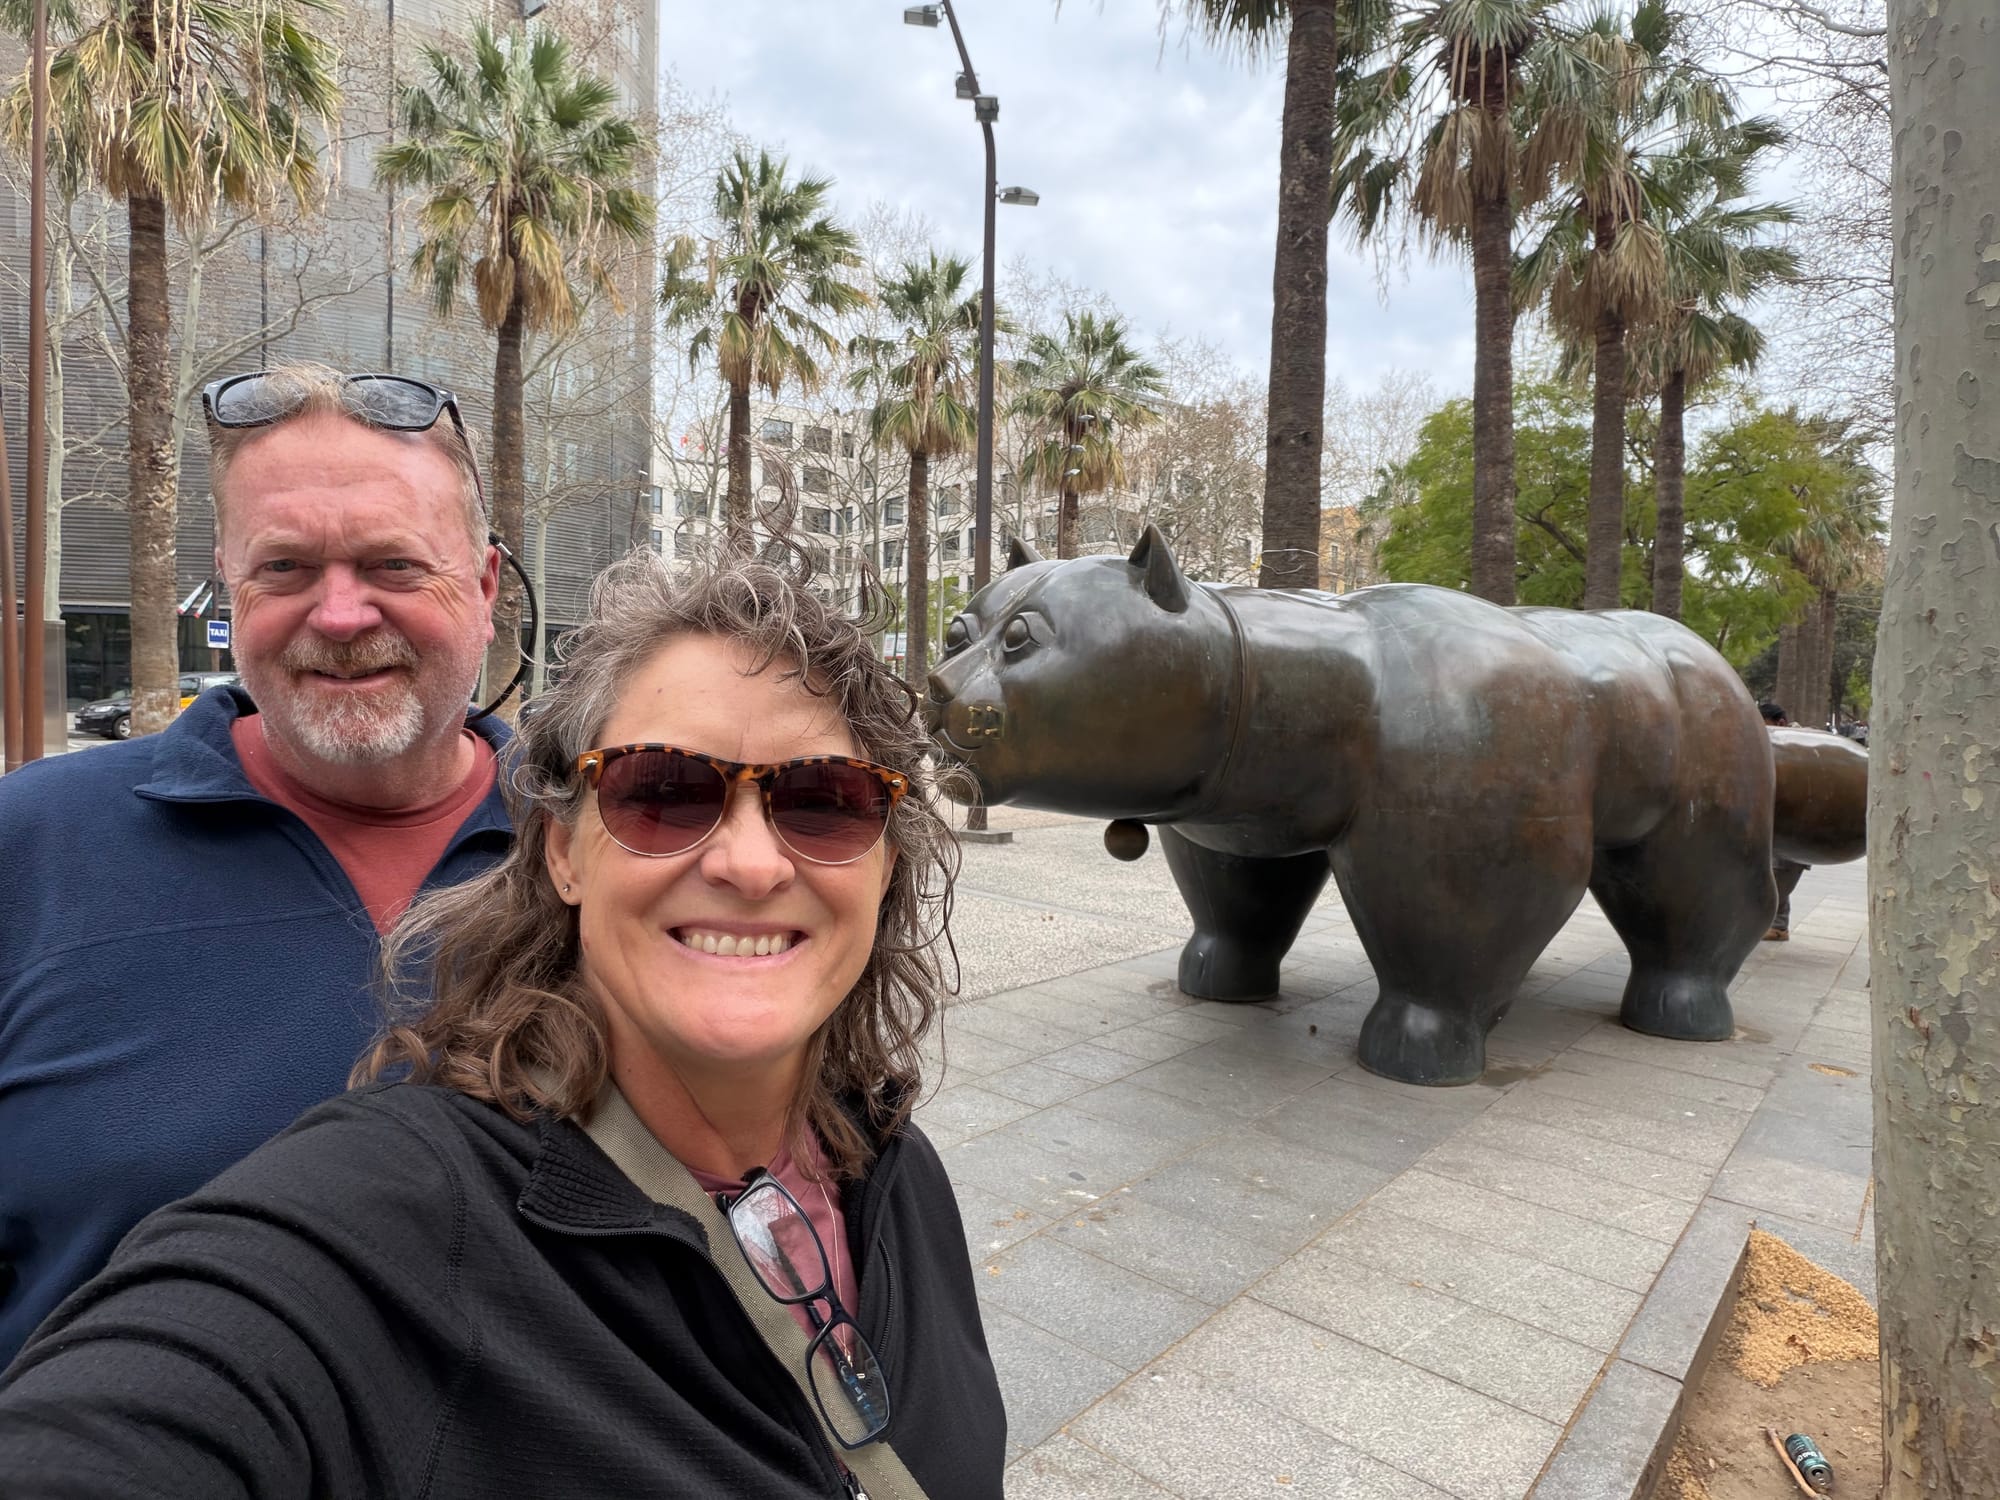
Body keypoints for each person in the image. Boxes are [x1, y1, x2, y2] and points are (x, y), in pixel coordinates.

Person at [0, 550, 1008, 1498]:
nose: (749, 864)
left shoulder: (895, 1170)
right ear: (564, 853)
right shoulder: (398, 1218)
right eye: (663, 793)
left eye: (825, 802)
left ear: (885, 865)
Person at [0, 365, 510, 1360]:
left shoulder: (618, 849)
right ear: (231, 587)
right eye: (285, 569)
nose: (341, 615)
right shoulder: (31, 850)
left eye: (394, 565)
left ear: (485, 588)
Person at [1759, 701, 1808, 941]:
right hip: (1777, 821)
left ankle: (1775, 925)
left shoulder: (1797, 744)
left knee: (1779, 874)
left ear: (1780, 723)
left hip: (1795, 823)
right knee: (1774, 870)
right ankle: (1778, 926)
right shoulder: (1775, 743)